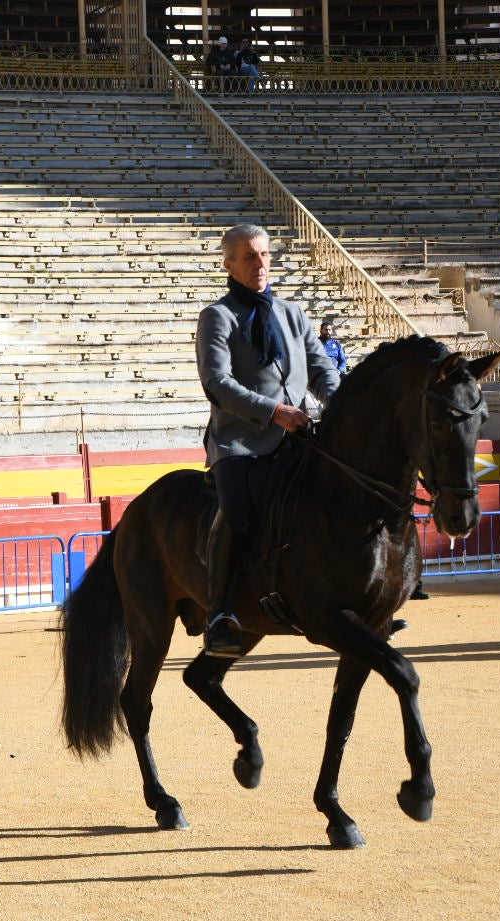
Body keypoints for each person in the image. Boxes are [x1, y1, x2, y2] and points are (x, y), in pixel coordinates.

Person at [196, 223, 340, 656]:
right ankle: (219, 612)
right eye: (248, 257)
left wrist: (339, 403)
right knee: (237, 511)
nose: (260, 264)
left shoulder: (293, 314)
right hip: (239, 442)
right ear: (229, 264)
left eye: (264, 255)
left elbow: (322, 370)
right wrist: (275, 412)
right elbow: (217, 383)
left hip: (299, 437)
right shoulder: (217, 316)